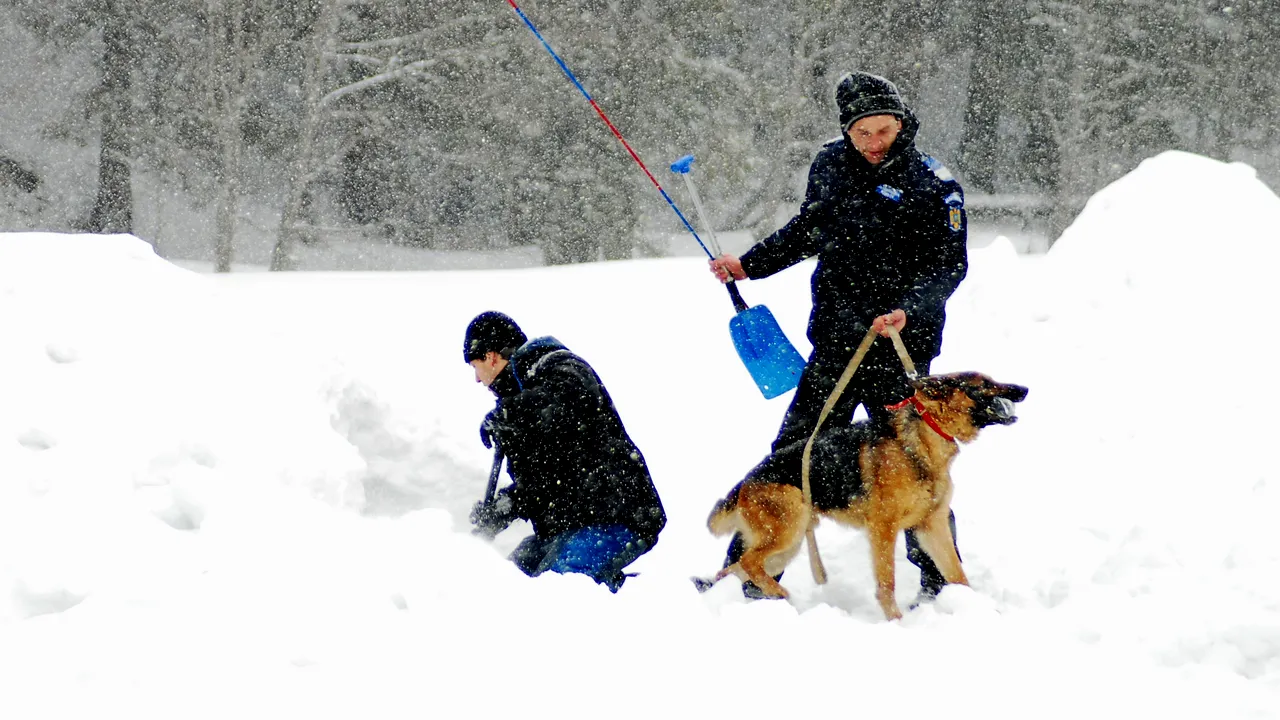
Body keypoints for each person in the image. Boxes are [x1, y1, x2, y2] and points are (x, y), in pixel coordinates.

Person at [708, 71, 969, 604]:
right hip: (837, 343)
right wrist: (749, 265)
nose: (875, 143)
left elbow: (950, 267)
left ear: (901, 122)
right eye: (863, 133)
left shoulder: (933, 183)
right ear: (846, 132)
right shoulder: (829, 164)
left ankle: (942, 587)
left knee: (917, 467)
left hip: (901, 349)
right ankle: (743, 577)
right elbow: (811, 229)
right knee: (790, 459)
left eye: (884, 130)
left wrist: (907, 310)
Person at [463, 311, 666, 592]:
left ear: (491, 356)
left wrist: (512, 413)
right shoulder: (518, 407)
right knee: (510, 582)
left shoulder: (555, 364)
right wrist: (502, 510)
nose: (476, 379)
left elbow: (569, 398)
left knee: (561, 588)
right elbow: (543, 484)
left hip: (617, 516)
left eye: (474, 365)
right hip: (571, 526)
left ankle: (663, 600)